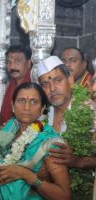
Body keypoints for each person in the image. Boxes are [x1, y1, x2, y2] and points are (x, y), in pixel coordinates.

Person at [0, 82, 71, 200]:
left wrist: (25, 175)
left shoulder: (51, 142)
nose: (26, 107)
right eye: (21, 100)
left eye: (34, 102)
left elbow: (64, 196)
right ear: (13, 106)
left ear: (42, 109)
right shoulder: (5, 134)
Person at [37, 55, 96, 198]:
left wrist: (78, 161)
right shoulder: (41, 115)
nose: (52, 88)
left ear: (70, 80)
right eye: (45, 84)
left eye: (58, 80)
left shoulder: (90, 112)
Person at [0, 44, 32, 127]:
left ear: (29, 63)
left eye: (17, 61)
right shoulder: (12, 85)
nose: (12, 66)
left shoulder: (34, 86)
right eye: (8, 62)